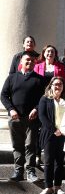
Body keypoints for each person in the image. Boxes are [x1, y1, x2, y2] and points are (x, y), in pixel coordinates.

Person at [1, 51, 45, 182]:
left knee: (30, 145)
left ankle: (30, 172)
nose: (30, 62)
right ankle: (18, 171)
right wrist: (10, 109)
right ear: (21, 62)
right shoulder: (12, 78)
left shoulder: (39, 79)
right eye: (27, 60)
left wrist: (36, 109)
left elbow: (44, 98)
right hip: (15, 118)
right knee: (17, 145)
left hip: (31, 119)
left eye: (32, 61)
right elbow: (3, 95)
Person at [38, 77, 65, 194]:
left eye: (60, 84)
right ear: (50, 86)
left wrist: (63, 131)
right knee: (49, 161)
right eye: (55, 84)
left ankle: (58, 187)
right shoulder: (45, 99)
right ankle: (48, 187)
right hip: (50, 134)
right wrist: (54, 130)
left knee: (59, 162)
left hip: (62, 135)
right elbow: (42, 116)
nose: (58, 86)